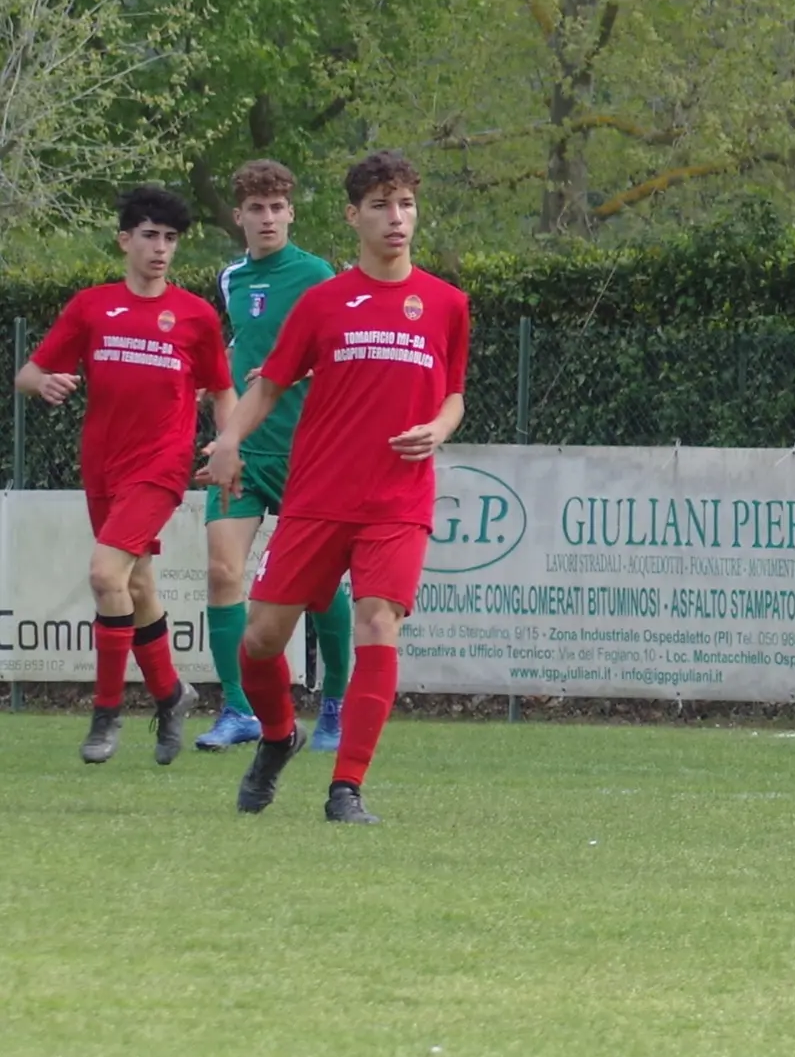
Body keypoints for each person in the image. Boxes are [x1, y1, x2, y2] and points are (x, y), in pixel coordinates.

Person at [203, 152, 472, 824]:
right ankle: (276, 736)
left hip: (398, 499)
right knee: (262, 639)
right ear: (354, 216)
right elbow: (268, 382)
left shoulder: (446, 304)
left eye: (406, 203)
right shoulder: (323, 302)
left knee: (378, 622)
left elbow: (456, 397)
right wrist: (230, 442)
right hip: (318, 496)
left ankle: (346, 787)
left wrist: (438, 428)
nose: (396, 217)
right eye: (381, 205)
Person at [17, 187, 228, 766]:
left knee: (104, 573)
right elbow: (29, 372)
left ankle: (106, 712)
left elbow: (224, 388)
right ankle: (171, 694)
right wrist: (45, 383)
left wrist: (227, 444)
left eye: (171, 238)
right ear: (125, 240)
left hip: (160, 466)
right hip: (102, 465)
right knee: (136, 587)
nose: (161, 249)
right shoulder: (92, 306)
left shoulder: (196, 315)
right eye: (151, 236)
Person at [194, 160, 347, 756]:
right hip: (246, 452)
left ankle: (334, 700)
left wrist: (294, 372)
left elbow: (340, 355)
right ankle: (239, 709)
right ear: (239, 217)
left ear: (291, 212)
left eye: (276, 207)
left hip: (308, 452)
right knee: (221, 572)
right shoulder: (231, 279)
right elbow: (230, 364)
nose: (266, 217)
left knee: (320, 585)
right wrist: (223, 432)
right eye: (255, 208)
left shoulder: (317, 275)